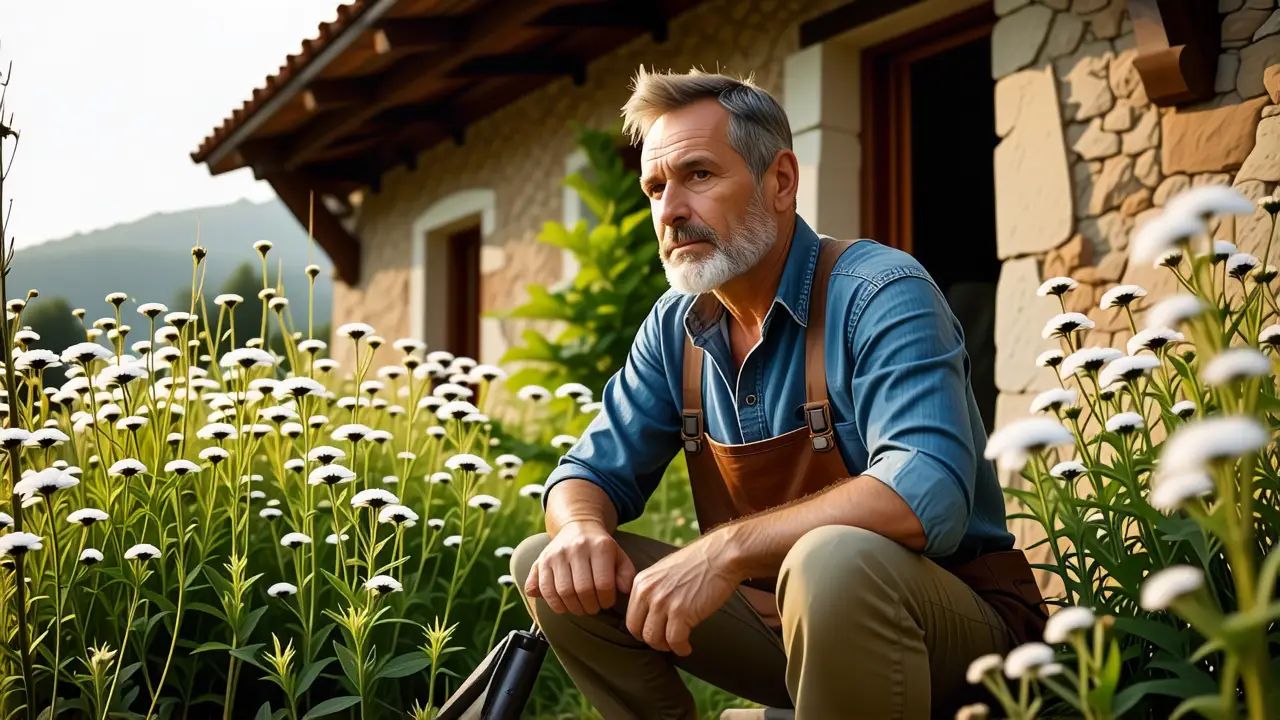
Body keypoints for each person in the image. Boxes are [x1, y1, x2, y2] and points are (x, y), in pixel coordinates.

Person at [511, 68, 1045, 720]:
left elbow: (925, 490)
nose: (671, 210)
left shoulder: (878, 292)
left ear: (782, 181)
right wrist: (579, 530)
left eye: (699, 175)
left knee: (835, 560)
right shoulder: (674, 328)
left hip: (958, 633)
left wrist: (725, 551)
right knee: (552, 565)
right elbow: (585, 473)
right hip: (784, 634)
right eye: (656, 186)